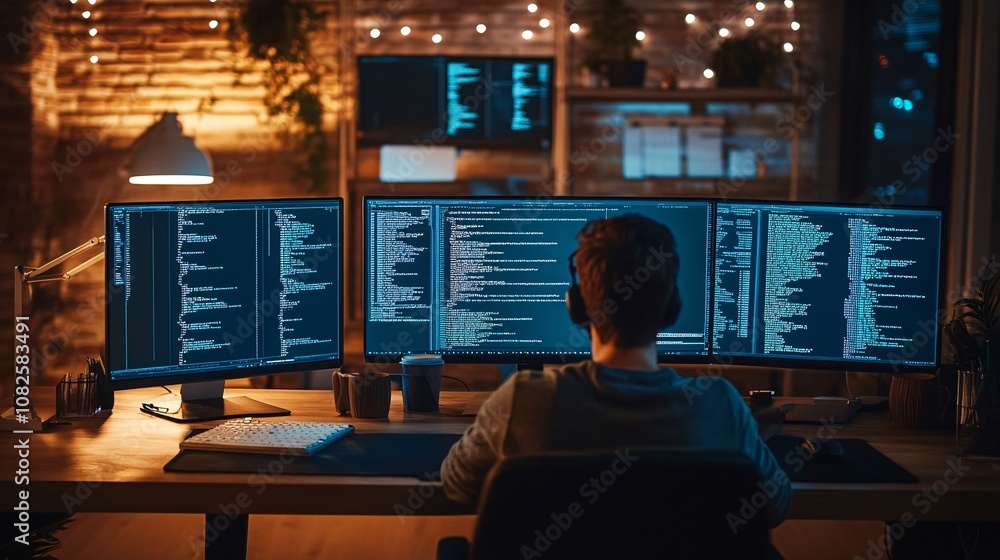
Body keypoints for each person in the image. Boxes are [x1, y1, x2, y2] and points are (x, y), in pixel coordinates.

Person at [440, 214, 791, 530]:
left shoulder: (525, 399)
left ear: (575, 306)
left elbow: (457, 484)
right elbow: (774, 506)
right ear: (671, 307)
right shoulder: (720, 406)